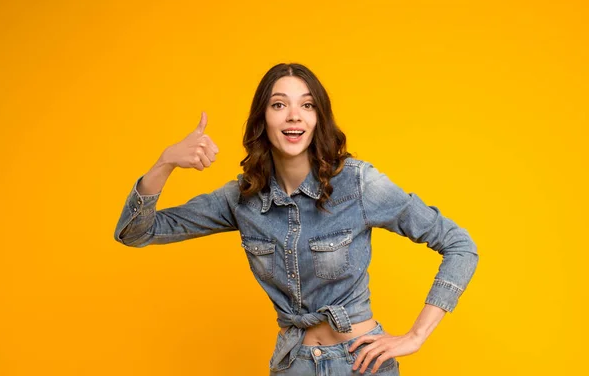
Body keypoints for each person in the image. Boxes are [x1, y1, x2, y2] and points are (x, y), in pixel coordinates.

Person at [114, 63, 479, 375]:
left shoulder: (357, 184)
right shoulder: (242, 198)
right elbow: (135, 233)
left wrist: (415, 336)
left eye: (306, 105)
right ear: (263, 119)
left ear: (318, 117)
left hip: (359, 363)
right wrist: (165, 163)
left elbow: (460, 245)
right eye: (279, 104)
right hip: (293, 364)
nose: (294, 115)